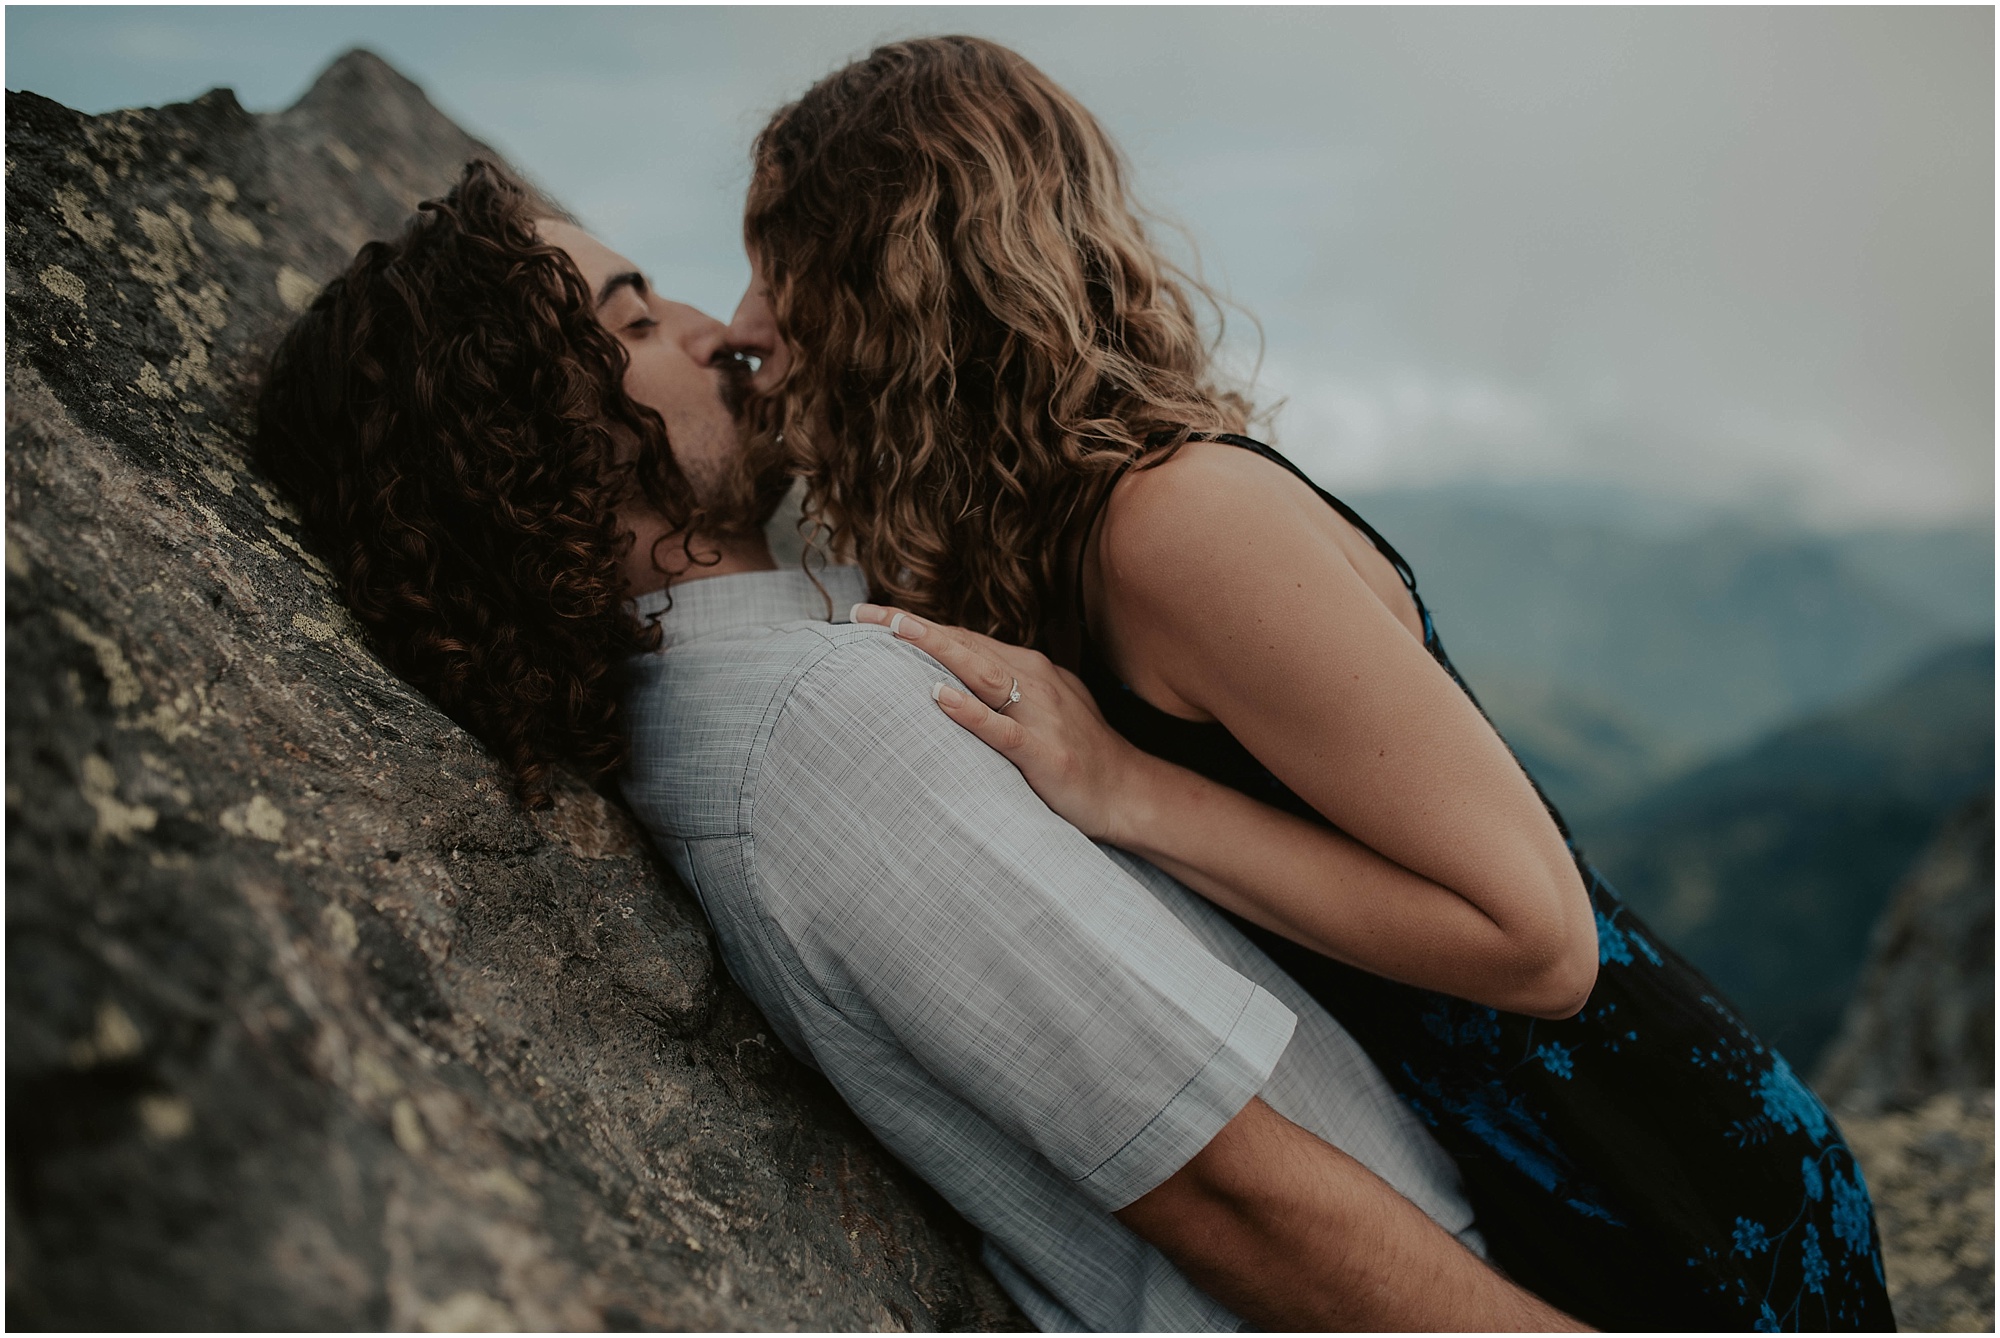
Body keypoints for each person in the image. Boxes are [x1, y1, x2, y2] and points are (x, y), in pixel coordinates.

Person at [255, 160, 1589, 1331]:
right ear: (547, 444)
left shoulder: (781, 682)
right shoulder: (822, 732)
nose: (724, 331)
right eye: (638, 322)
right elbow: (1240, 1198)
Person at [723, 35, 1895, 1332]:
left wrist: (1125, 787)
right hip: (1495, 1163)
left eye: (781, 268)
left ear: (899, 288)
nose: (744, 324)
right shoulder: (1025, 530)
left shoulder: (1174, 523)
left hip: (1652, 1165)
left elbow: (1541, 941)